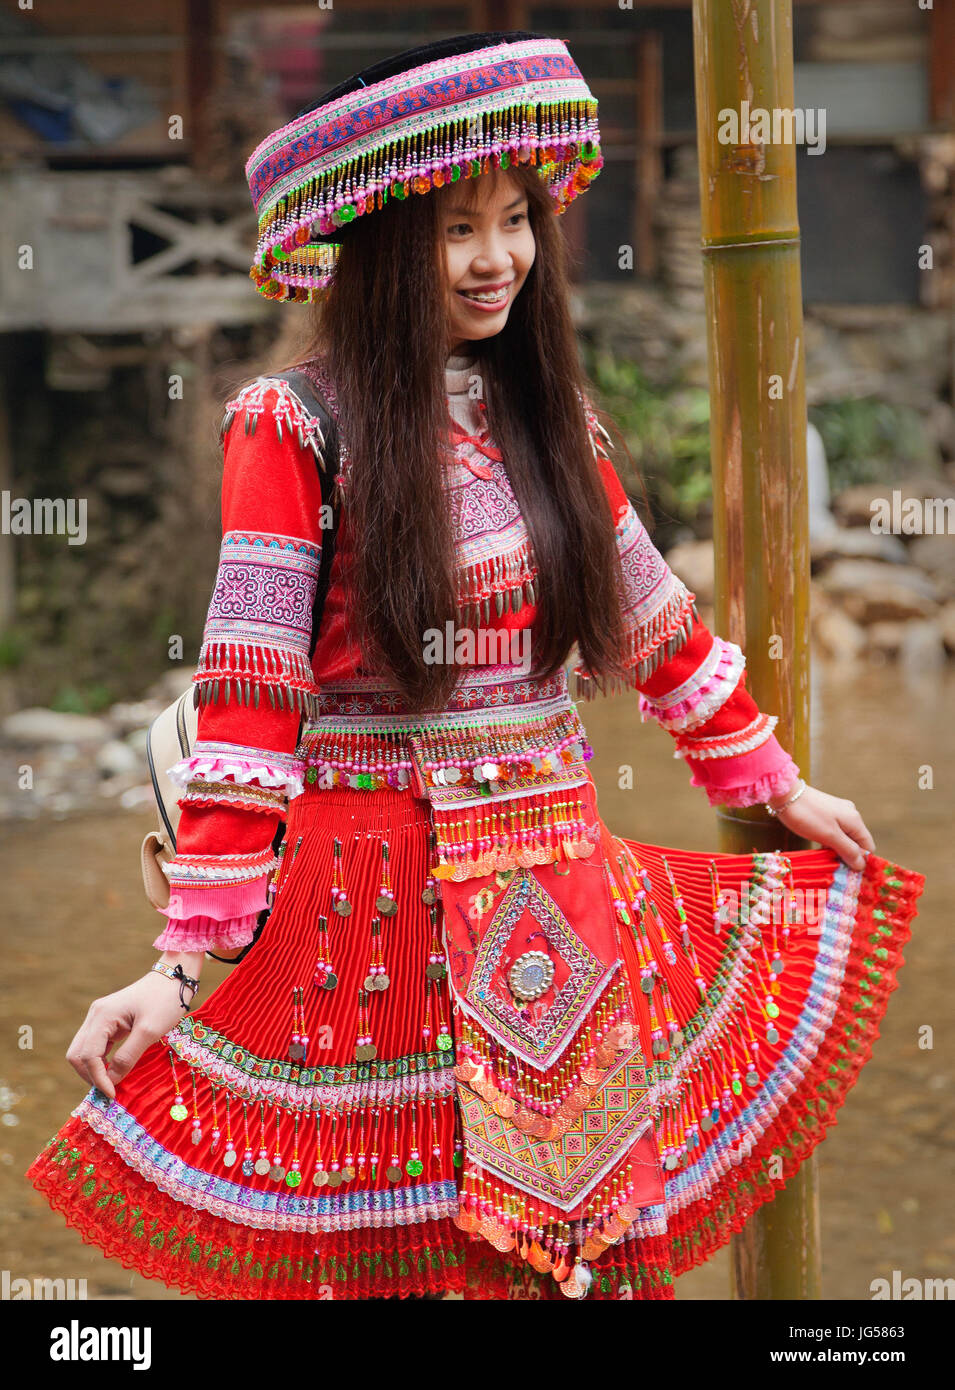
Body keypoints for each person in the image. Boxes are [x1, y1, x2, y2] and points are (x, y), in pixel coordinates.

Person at [26, 30, 924, 1301]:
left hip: (562, 890)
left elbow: (658, 626)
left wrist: (774, 787)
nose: (498, 258)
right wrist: (179, 968)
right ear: (383, 243)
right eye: (457, 229)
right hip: (373, 915)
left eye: (516, 221)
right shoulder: (291, 429)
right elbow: (248, 701)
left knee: (591, 1267)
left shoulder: (547, 416)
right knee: (414, 1272)